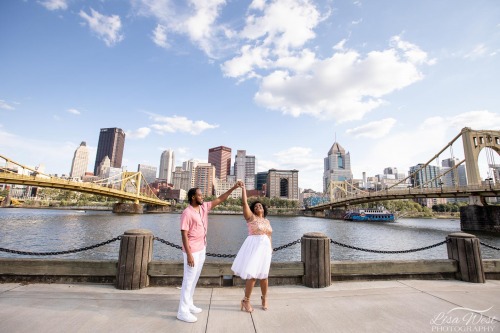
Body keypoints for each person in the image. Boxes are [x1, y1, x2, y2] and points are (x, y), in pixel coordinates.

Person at [177, 183, 241, 323]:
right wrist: (188, 254)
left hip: (201, 248)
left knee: (194, 279)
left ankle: (189, 304)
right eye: (200, 195)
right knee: (188, 280)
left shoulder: (204, 207)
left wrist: (234, 188)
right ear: (193, 197)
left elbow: (221, 199)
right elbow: (184, 234)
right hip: (192, 250)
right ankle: (182, 311)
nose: (202, 197)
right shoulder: (187, 213)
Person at [231, 182, 273, 312]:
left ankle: (264, 298)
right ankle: (246, 301)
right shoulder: (251, 218)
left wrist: (271, 249)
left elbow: (269, 236)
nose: (258, 207)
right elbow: (244, 203)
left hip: (265, 250)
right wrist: (243, 189)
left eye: (260, 205)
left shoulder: (267, 221)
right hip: (254, 248)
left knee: (264, 276)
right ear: (253, 209)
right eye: (256, 206)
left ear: (263, 209)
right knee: (253, 276)